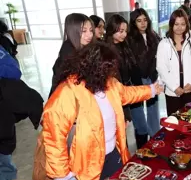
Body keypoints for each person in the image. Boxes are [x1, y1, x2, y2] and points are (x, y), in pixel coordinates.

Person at [34, 42, 163, 180]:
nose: (111, 73)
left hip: (113, 154)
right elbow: (54, 138)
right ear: (92, 68)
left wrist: (151, 90)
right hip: (85, 165)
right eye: (106, 69)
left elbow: (126, 93)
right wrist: (63, 175)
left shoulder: (109, 82)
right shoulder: (67, 93)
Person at [156, 9, 191, 116]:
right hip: (172, 91)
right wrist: (174, 87)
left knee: (190, 119)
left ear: (187, 25)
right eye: (176, 24)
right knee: (174, 120)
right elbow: (161, 68)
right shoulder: (163, 44)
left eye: (183, 24)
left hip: (190, 89)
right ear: (171, 25)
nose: (179, 27)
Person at [128, 8, 161, 148]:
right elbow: (131, 61)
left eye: (145, 20)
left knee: (153, 109)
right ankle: (141, 139)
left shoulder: (154, 36)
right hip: (137, 80)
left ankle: (154, 136)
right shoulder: (130, 39)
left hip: (152, 76)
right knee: (138, 112)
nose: (143, 23)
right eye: (139, 21)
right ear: (134, 23)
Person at [105, 14, 141, 123]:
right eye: (121, 31)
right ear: (112, 29)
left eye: (125, 31)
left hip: (126, 88)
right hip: (114, 94)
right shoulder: (105, 49)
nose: (124, 34)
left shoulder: (124, 45)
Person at [49, 13, 94, 97]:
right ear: (72, 32)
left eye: (91, 30)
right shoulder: (69, 55)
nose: (90, 35)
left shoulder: (84, 47)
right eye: (84, 31)